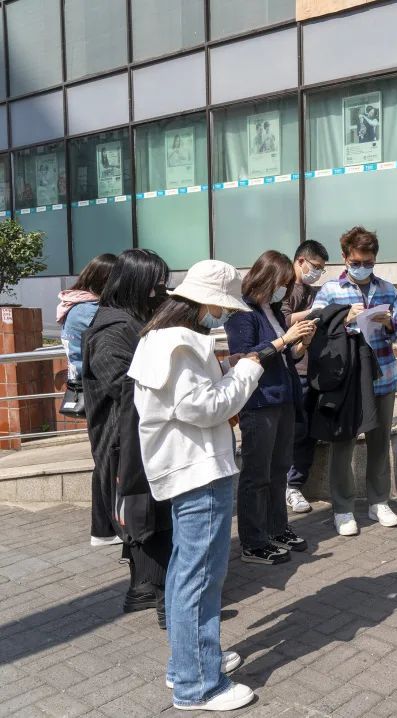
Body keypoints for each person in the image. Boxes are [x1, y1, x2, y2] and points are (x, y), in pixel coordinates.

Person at [128, 259, 264, 712]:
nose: (223, 315)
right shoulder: (181, 343)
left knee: (188, 573)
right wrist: (245, 373)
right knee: (200, 577)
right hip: (199, 470)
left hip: (186, 466)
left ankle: (188, 663)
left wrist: (228, 373)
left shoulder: (161, 337)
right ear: (206, 301)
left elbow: (188, 405)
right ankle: (198, 684)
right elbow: (204, 408)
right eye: (223, 306)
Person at [82, 248, 173, 626]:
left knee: (148, 515)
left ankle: (145, 588)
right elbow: (122, 385)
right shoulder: (112, 329)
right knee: (147, 516)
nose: (161, 291)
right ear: (136, 284)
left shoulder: (131, 319)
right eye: (156, 285)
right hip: (124, 442)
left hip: (135, 437)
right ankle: (166, 602)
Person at [310, 227, 397, 534]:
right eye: (356, 262)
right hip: (348, 380)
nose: (362, 267)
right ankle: (343, 508)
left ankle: (378, 501)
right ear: (344, 257)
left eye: (368, 262)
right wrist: (344, 318)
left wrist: (390, 323)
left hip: (384, 376)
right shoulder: (330, 290)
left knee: (380, 442)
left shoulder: (388, 290)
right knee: (344, 443)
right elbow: (315, 328)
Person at [225, 251, 317, 564]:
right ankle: (253, 541)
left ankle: (277, 528)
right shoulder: (242, 313)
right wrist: (284, 340)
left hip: (285, 397)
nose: (283, 290)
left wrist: (301, 344)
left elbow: (286, 357)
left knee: (279, 470)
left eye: (287, 285)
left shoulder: (273, 310)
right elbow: (244, 358)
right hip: (260, 401)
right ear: (266, 278)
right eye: (281, 283)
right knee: (256, 474)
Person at [57, 252, 118, 546]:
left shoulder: (75, 304)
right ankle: (106, 529)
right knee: (108, 457)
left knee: (106, 456)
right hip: (98, 389)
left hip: (92, 386)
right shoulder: (87, 310)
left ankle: (106, 529)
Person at [283, 240, 329, 514]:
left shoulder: (313, 291)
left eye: (322, 269)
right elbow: (283, 319)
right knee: (295, 432)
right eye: (316, 267)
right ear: (301, 261)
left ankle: (296, 484)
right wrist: (315, 312)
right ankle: (288, 485)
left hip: (315, 371)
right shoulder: (284, 288)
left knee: (309, 433)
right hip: (295, 370)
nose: (318, 273)